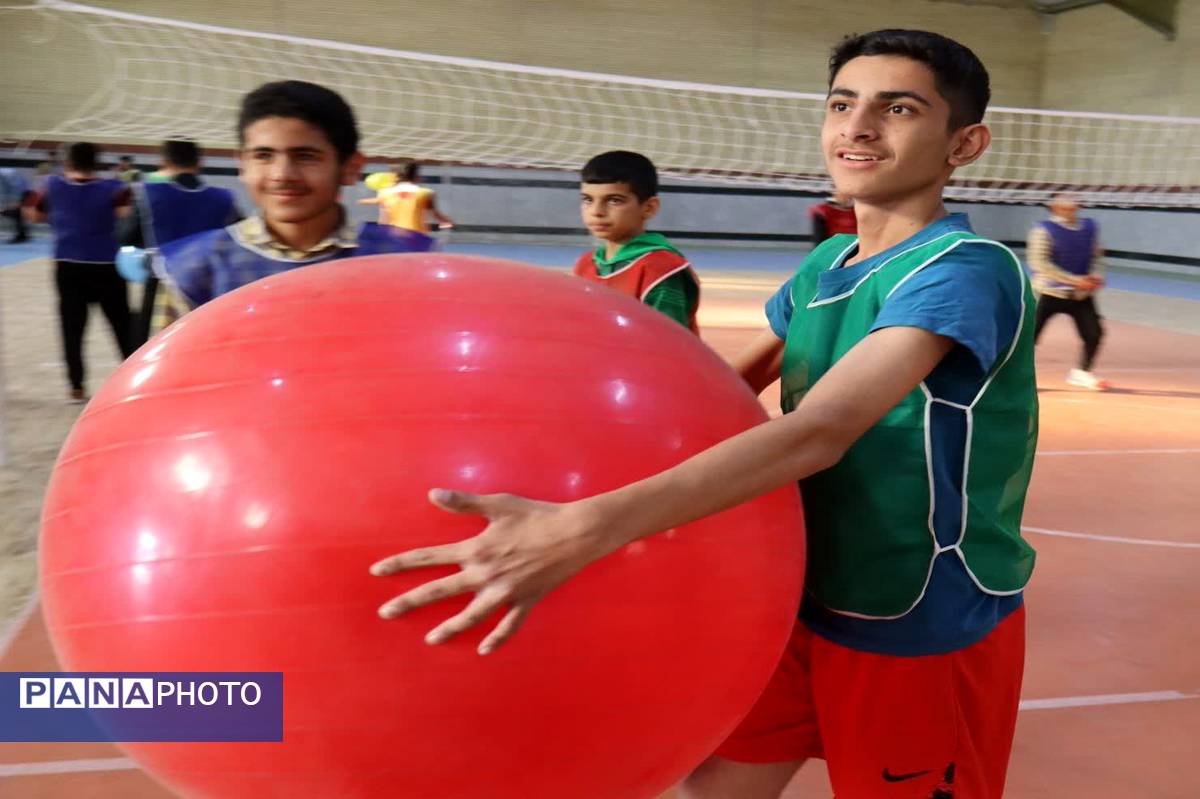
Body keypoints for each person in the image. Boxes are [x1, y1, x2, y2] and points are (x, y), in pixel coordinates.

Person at [371, 29, 1038, 799]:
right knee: (717, 783)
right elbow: (719, 388)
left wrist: (583, 527)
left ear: (965, 143)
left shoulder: (964, 271)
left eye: (898, 109)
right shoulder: (828, 262)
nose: (857, 127)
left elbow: (819, 431)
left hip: (918, 615)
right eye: (842, 104)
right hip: (801, 592)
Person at [152, 81, 437, 333]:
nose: (282, 174)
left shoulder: (407, 262)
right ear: (243, 165)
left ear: (350, 167)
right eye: (264, 155)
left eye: (305, 156)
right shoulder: (193, 269)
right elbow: (162, 387)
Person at [26, 142, 135, 401]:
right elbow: (125, 215)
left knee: (72, 328)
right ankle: (134, 377)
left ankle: (76, 386)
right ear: (96, 163)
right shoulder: (115, 189)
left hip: (68, 266)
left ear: (68, 163)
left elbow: (35, 216)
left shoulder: (51, 186)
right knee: (123, 326)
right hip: (107, 266)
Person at [119, 138, 241, 347]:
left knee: (152, 350)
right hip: (210, 287)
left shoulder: (148, 193)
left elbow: (126, 236)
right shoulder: (224, 198)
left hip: (161, 284)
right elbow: (241, 237)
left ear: (164, 161)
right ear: (199, 162)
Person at [572, 150, 700, 331]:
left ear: (649, 208)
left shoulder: (659, 269)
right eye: (588, 200)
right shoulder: (586, 264)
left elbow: (668, 344)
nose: (597, 211)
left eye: (614, 200)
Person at [1028, 193, 1109, 390]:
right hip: (1049, 293)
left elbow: (1097, 255)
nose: (1070, 200)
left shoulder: (1089, 227)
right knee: (1029, 336)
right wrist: (1074, 280)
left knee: (1094, 333)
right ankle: (1017, 377)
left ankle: (1081, 373)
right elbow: (1039, 263)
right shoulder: (1043, 230)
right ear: (1054, 206)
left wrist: (1096, 275)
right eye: (1063, 198)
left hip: (1080, 295)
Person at [358, 159, 454, 234]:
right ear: (416, 176)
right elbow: (436, 215)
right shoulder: (426, 193)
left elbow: (383, 219)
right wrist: (446, 221)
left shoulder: (385, 193)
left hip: (394, 236)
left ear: (396, 176)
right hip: (418, 237)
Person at [0, 167, 31, 243]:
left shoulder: (5, 174)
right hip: (23, 190)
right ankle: (23, 234)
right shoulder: (4, 173)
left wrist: (15, 202)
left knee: (16, 212)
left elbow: (15, 186)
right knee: (18, 213)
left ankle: (21, 235)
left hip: (22, 192)